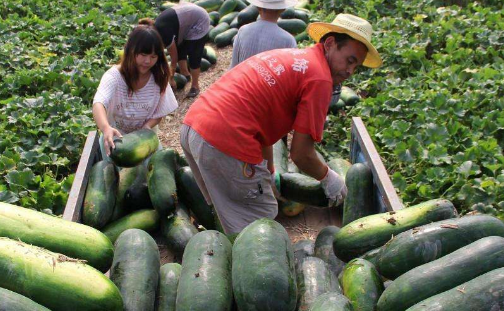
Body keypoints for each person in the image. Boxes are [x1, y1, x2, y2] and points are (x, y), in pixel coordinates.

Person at [180, 14, 382, 236]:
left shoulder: (294, 58)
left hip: (194, 127)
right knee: (261, 225)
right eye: (350, 60)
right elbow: (301, 154)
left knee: (230, 209)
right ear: (331, 44)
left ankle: (227, 253)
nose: (350, 71)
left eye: (356, 66)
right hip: (223, 142)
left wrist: (269, 171)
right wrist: (328, 178)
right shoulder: (320, 79)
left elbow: (265, 128)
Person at [93, 21, 178, 156]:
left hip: (145, 138)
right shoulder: (114, 76)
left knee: (155, 170)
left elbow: (160, 113)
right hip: (115, 140)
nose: (147, 61)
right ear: (131, 51)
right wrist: (106, 128)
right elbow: (99, 103)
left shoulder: (159, 78)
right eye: (143, 55)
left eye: (153, 56)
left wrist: (147, 127)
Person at [148, 3, 210, 98]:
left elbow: (174, 59)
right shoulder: (156, 29)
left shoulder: (164, 34)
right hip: (188, 18)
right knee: (180, 46)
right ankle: (185, 74)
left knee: (194, 53)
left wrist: (171, 78)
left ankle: (195, 86)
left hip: (200, 19)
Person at [230, 0, 297, 69]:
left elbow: (233, 67)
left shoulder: (243, 30)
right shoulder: (288, 40)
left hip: (242, 79)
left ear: (257, 7)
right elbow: (290, 73)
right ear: (283, 9)